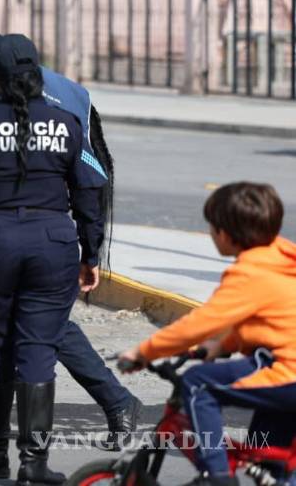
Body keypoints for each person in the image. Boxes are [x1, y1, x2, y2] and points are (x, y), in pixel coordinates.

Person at [0, 30, 140, 449]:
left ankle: (115, 403)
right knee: (8, 329)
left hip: (24, 238)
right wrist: (87, 248)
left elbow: (89, 179)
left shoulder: (39, 109)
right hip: (43, 242)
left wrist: (91, 249)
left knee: (38, 332)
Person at [119, 182, 296, 486]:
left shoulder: (249, 273)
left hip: (286, 369)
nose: (211, 235)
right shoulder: (281, 259)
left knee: (198, 383)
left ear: (225, 234)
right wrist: (221, 346)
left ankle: (218, 476)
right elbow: (269, 322)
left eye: (211, 229)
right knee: (264, 457)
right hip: (284, 364)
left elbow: (200, 323)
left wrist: (143, 352)